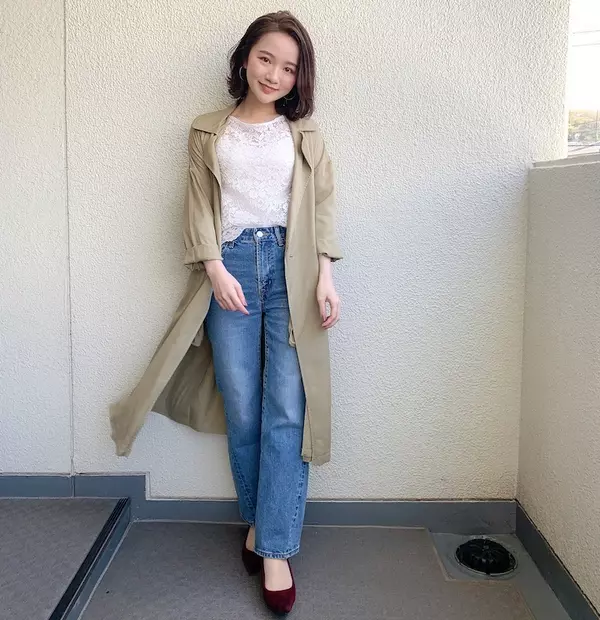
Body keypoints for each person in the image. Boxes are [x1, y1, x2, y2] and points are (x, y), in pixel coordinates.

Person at [110, 9, 342, 617]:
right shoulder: (207, 130)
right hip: (230, 266)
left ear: (299, 78)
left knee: (287, 407)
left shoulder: (305, 135)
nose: (274, 74)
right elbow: (196, 204)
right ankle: (263, 523)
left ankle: (274, 546)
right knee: (242, 405)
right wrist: (214, 268)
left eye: (288, 67)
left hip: (292, 270)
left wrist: (326, 275)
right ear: (244, 59)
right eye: (266, 58)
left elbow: (322, 206)